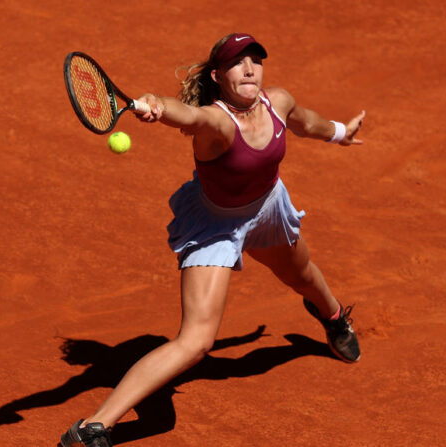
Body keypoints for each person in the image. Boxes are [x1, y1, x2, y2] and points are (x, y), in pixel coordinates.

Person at [60, 32, 366, 447]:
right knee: (197, 341)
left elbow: (306, 122)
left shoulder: (277, 101)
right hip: (216, 225)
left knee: (303, 276)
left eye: (255, 60)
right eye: (238, 62)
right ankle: (92, 428)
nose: (249, 68)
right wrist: (154, 103)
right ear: (219, 76)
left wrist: (338, 132)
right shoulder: (217, 122)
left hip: (268, 208)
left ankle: (332, 318)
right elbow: (185, 115)